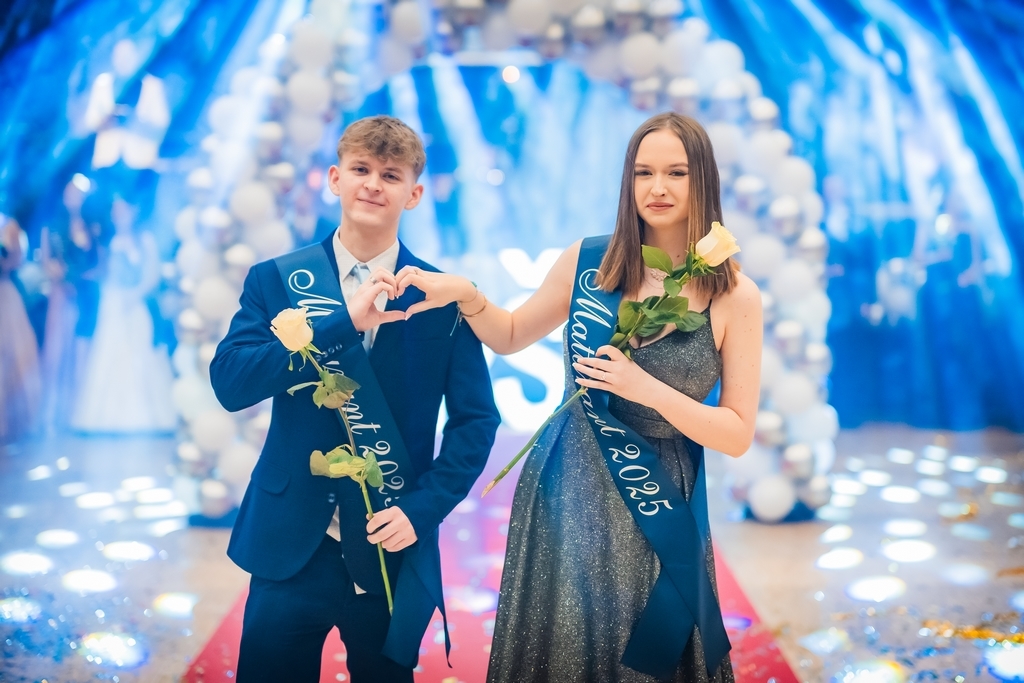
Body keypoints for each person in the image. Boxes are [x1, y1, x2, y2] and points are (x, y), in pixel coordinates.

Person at [398, 112, 763, 682]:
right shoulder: (589, 262)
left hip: (658, 495)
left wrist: (645, 389)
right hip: (565, 486)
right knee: (564, 651)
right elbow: (511, 334)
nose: (658, 188)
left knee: (650, 652)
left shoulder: (735, 295)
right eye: (643, 172)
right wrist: (467, 294)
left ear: (704, 181)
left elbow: (737, 434)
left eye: (676, 173)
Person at [210, 115, 500, 683]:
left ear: (413, 194)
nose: (372, 184)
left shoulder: (442, 296)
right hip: (291, 538)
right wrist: (340, 323)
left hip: (391, 538)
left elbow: (475, 423)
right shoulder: (277, 279)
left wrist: (422, 510)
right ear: (334, 178)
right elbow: (231, 384)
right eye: (361, 169)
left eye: (391, 175)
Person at [71, 192, 176, 433]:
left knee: (139, 351)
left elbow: (152, 276)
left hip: (136, 305)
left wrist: (135, 294)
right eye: (115, 212)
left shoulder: (145, 240)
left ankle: (146, 416)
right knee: (109, 352)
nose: (119, 216)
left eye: (123, 210)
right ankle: (104, 417)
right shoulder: (107, 242)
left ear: (133, 212)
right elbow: (103, 274)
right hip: (113, 305)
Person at [0, 216, 42, 442]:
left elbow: (17, 260)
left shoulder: (9, 227)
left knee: (14, 356)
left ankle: (12, 422)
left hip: (5, 296)